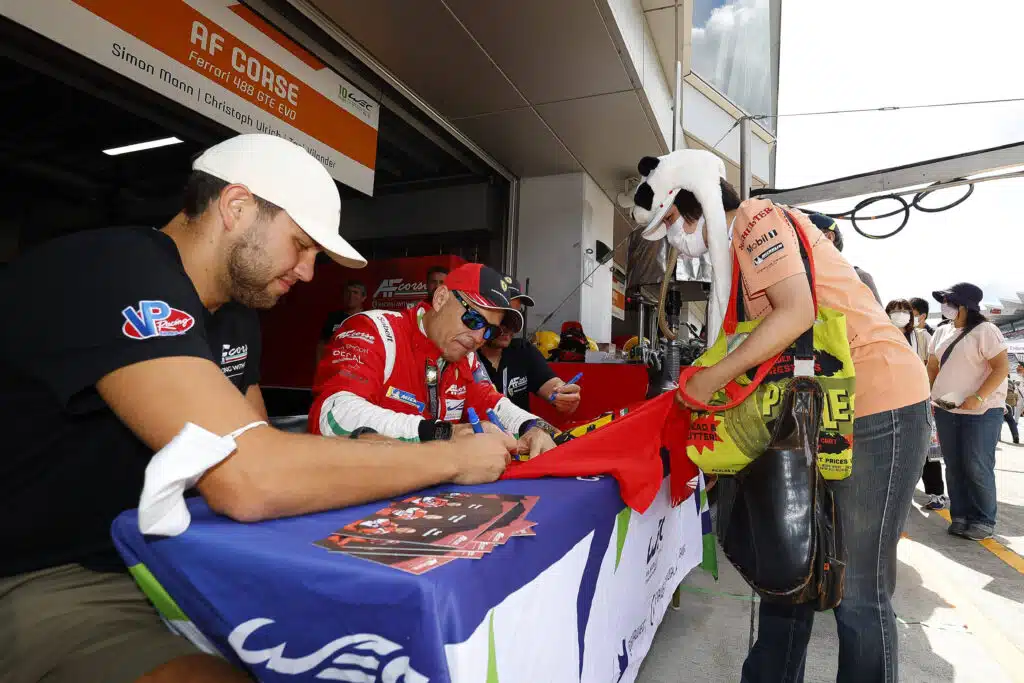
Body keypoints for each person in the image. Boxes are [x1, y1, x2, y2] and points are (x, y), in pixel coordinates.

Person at [0, 134, 513, 683]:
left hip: (183, 559)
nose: (309, 272)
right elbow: (247, 478)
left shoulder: (236, 315)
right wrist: (450, 458)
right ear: (237, 207)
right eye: (301, 245)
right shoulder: (117, 267)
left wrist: (376, 451)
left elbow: (266, 449)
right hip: (57, 579)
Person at [632, 149, 930, 683]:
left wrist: (712, 378)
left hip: (877, 405)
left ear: (694, 200)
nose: (674, 239)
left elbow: (797, 311)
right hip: (815, 415)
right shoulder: (736, 262)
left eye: (672, 222)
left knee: (857, 593)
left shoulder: (756, 219)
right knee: (786, 571)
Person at [310, 263, 559, 458]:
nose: (479, 338)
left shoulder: (465, 356)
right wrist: (443, 433)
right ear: (440, 298)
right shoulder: (375, 330)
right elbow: (333, 415)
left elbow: (491, 403)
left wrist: (532, 426)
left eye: (490, 331)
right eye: (473, 320)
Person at [929, 282, 1009, 541]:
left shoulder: (986, 330)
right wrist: (928, 394)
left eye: (949, 301)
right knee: (954, 465)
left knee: (977, 465)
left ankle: (983, 519)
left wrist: (978, 396)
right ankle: (960, 516)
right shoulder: (941, 331)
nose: (944, 305)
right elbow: (932, 367)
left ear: (964, 305)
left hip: (982, 411)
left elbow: (1001, 367)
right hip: (946, 408)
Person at [478, 282, 582, 414]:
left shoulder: (523, 351)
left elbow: (552, 385)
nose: (510, 327)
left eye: (516, 317)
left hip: (522, 426)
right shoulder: (468, 356)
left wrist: (565, 395)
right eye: (504, 316)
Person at [888, 298, 947, 510]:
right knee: (897, 448)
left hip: (919, 397)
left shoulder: (921, 336)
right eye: (894, 310)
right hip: (890, 398)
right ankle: (899, 492)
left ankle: (936, 493)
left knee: (925, 447)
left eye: (904, 310)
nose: (900, 314)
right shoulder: (881, 335)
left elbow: (934, 364)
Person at [804, 211, 884, 305]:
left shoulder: (860, 277)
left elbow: (879, 314)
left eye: (805, 236)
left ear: (829, 237)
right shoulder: (803, 279)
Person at [316, 279, 367, 362]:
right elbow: (322, 344)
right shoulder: (333, 317)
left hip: (358, 366)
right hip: (335, 365)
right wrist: (319, 366)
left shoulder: (368, 319)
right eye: (348, 292)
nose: (351, 296)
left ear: (363, 297)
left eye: (355, 292)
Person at [1003, 364, 1024, 444]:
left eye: (1019, 367)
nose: (1017, 368)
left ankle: (998, 438)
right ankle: (1015, 436)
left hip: (1002, 403)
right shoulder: (1015, 380)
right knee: (1012, 420)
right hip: (1013, 404)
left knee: (1001, 419)